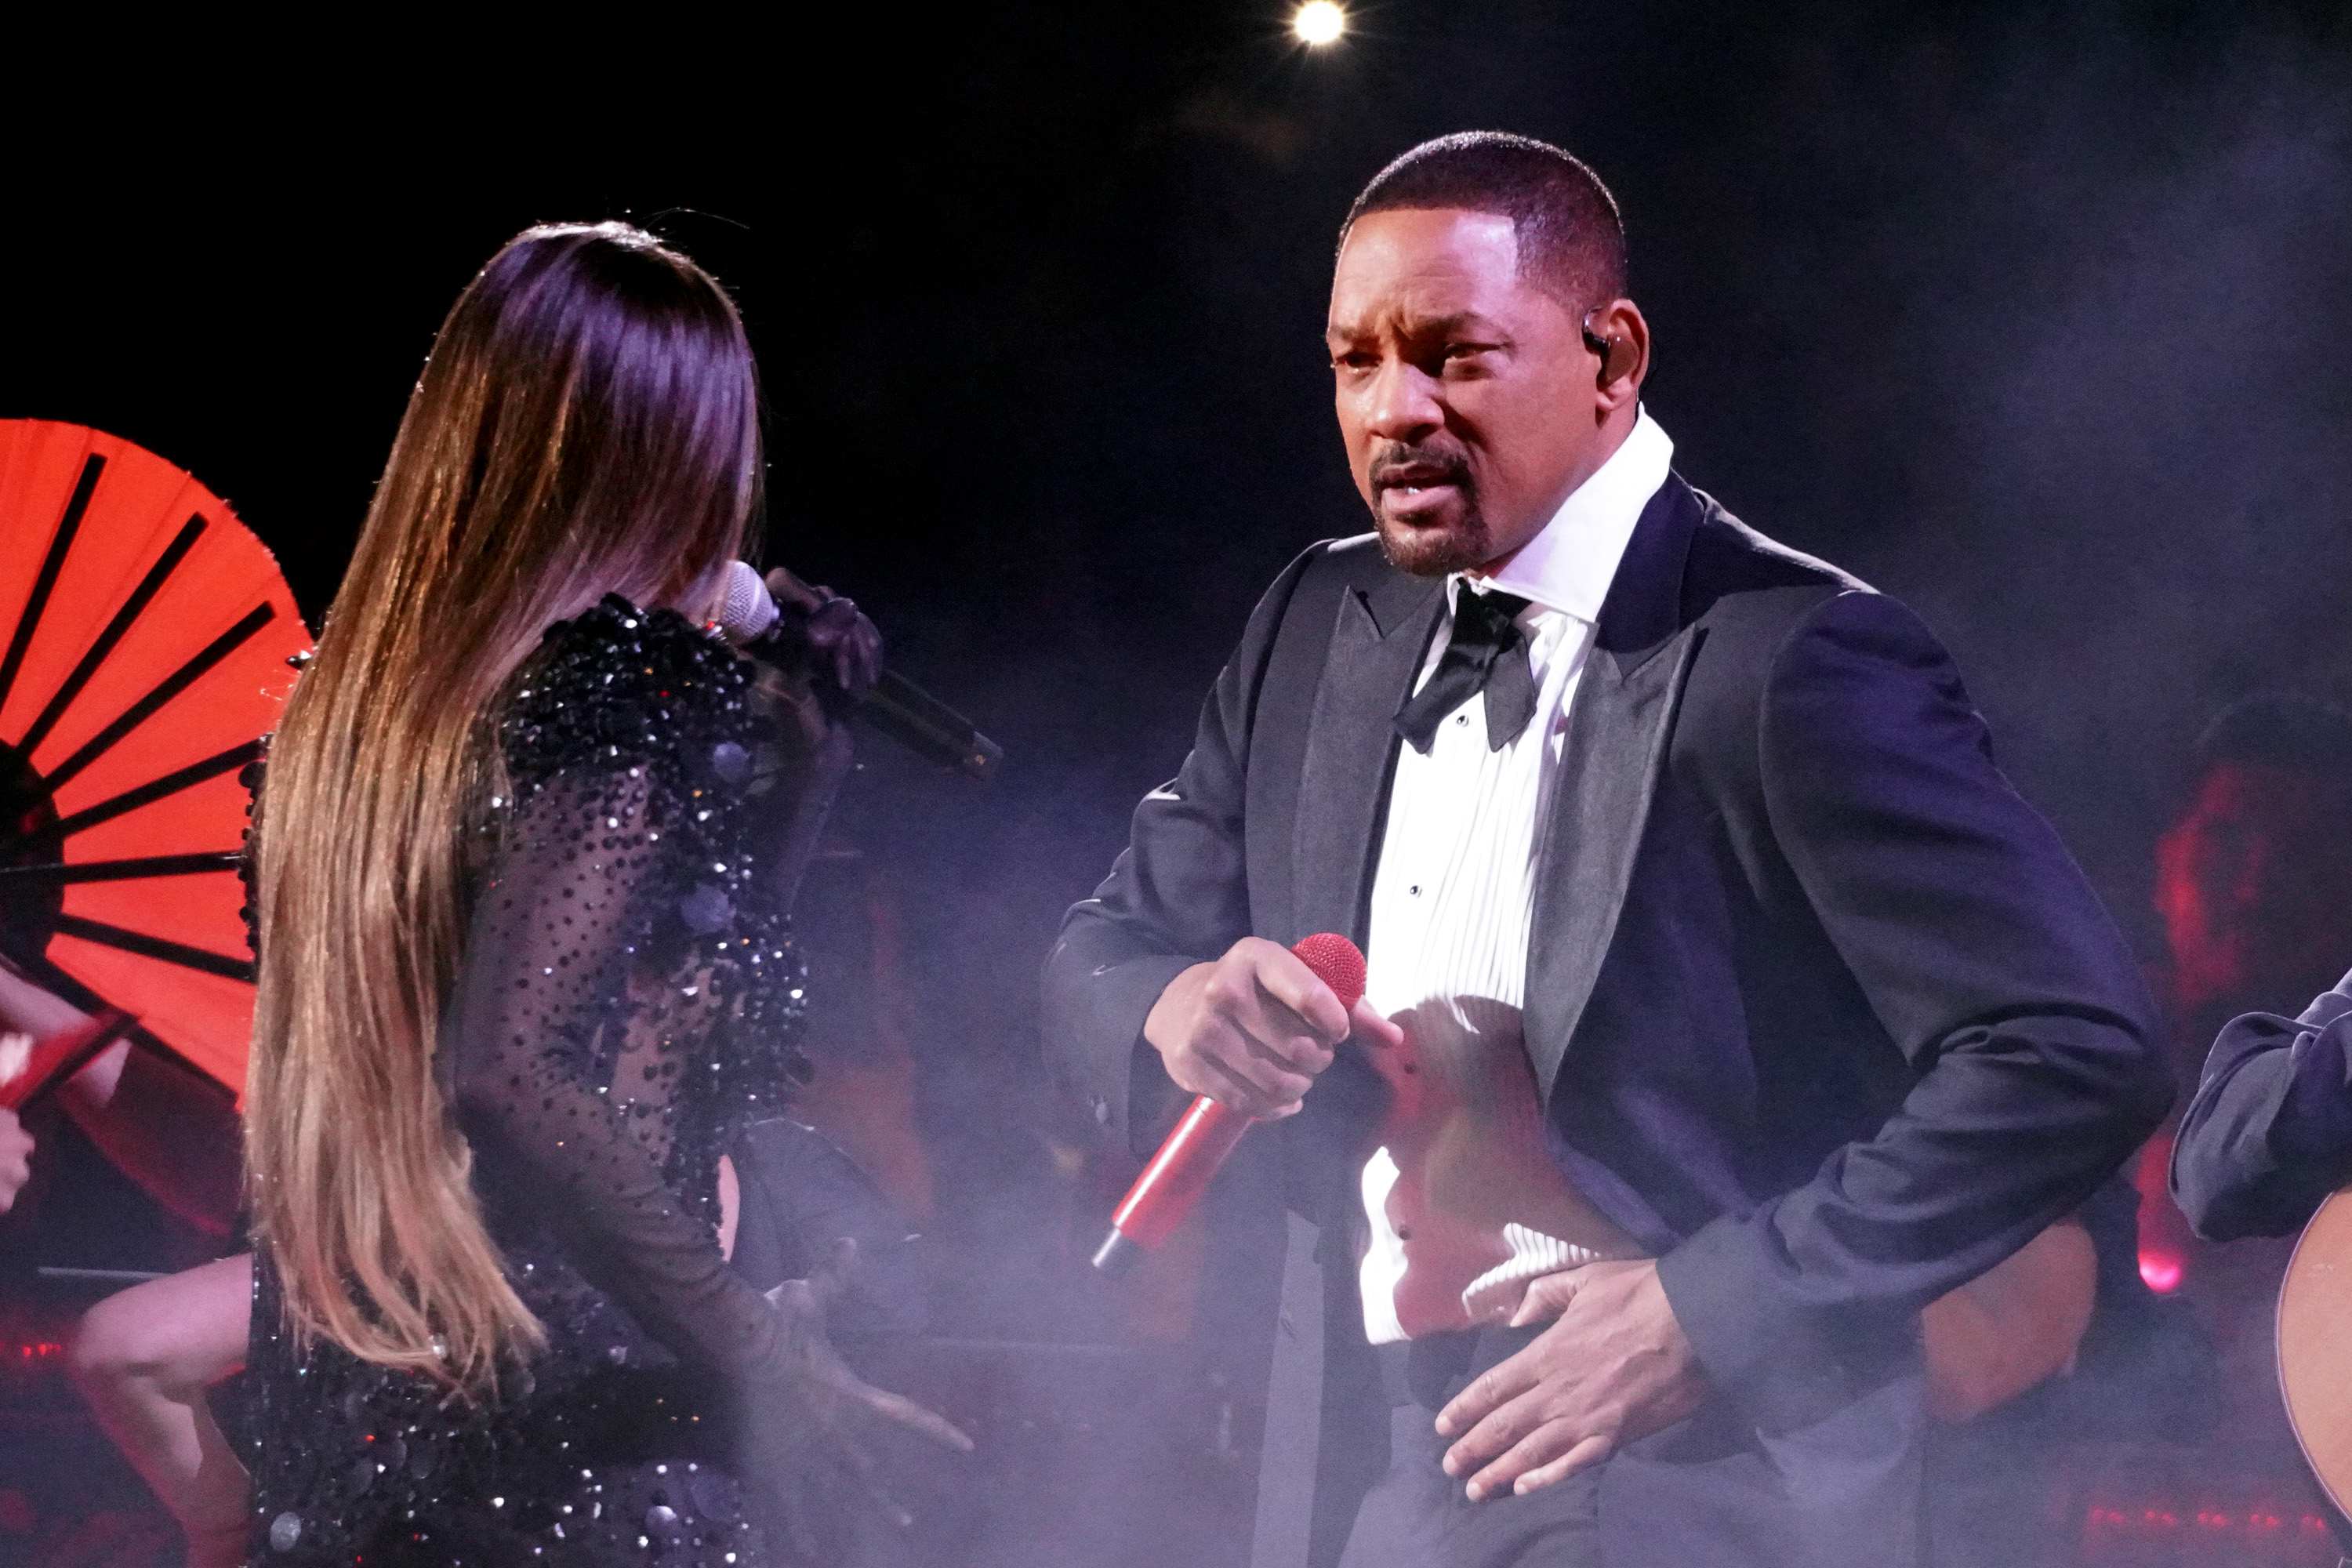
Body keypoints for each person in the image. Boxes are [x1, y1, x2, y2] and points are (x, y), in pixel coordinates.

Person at [1041, 132, 2170, 1567]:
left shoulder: (1788, 659)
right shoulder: (1319, 625)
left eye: (1456, 355)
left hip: (1683, 1475)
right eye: (1355, 361)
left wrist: (1721, 1310)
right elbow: (1104, 944)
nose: (1395, 409)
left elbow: (2074, 1045)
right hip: (1364, 1453)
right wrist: (1179, 1005)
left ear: (1611, 358)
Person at [68, 221, 964, 1568]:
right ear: (676, 449)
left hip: (367, 1440)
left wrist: (801, 768)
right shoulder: (628, 690)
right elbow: (525, 1070)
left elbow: (640, 996)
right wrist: (768, 1346)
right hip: (583, 1435)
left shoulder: (343, 742)